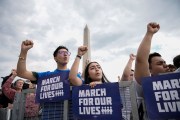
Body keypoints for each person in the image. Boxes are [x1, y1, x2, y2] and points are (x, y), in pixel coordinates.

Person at [17, 40, 82, 119]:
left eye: (67, 53)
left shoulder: (75, 75)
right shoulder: (46, 76)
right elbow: (21, 73)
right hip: (49, 117)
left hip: (70, 116)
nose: (65, 54)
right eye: (61, 52)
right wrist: (24, 51)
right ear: (55, 58)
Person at [134, 22, 169, 120]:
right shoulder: (146, 85)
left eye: (164, 62)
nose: (165, 65)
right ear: (149, 69)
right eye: (160, 64)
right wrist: (149, 33)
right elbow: (141, 60)